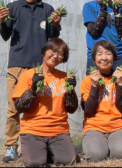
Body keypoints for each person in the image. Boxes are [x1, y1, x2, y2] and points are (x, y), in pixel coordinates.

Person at [0, 0, 62, 163]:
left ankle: (43, 144)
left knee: (40, 107)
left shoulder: (48, 10)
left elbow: (53, 40)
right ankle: (11, 147)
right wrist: (1, 20)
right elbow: (5, 35)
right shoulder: (12, 8)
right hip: (17, 65)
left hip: (40, 68)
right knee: (13, 108)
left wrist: (57, 25)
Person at [12, 38, 78, 167]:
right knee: (34, 163)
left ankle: (48, 150)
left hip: (59, 130)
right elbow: (19, 107)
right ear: (44, 52)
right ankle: (42, 151)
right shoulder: (28, 75)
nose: (56, 56)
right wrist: (32, 89)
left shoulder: (65, 77)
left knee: (68, 161)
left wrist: (70, 92)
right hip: (33, 130)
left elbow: (71, 109)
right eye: (52, 50)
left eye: (60, 54)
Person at [80, 40, 122, 161]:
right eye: (99, 54)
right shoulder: (87, 81)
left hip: (118, 126)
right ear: (94, 59)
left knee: (121, 153)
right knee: (96, 156)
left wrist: (120, 84)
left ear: (114, 57)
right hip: (94, 127)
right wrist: (94, 86)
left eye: (108, 53)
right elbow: (89, 110)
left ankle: (113, 144)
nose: (104, 58)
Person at [82, 0, 122, 75]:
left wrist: (116, 10)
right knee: (95, 87)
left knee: (120, 87)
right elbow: (94, 31)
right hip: (96, 55)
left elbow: (121, 33)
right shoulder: (90, 6)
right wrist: (103, 7)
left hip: (118, 55)